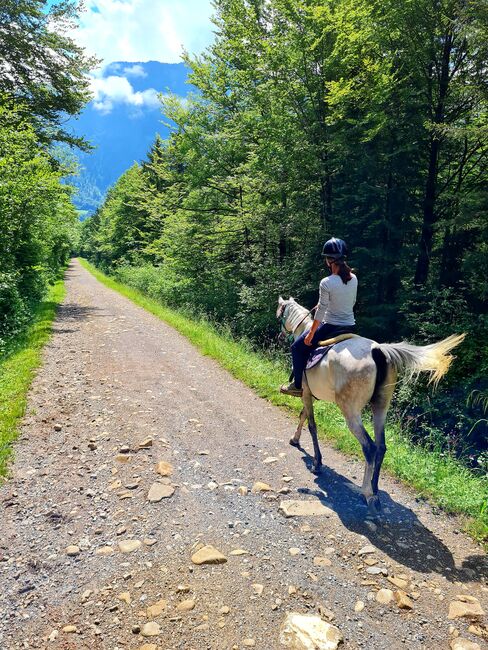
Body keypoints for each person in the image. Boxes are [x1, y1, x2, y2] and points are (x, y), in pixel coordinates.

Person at [280, 237, 358, 397]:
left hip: (330, 326)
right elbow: (351, 301)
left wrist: (310, 334)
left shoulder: (326, 282)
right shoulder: (353, 278)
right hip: (350, 326)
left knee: (296, 347)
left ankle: (296, 386)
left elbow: (321, 312)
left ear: (330, 261)